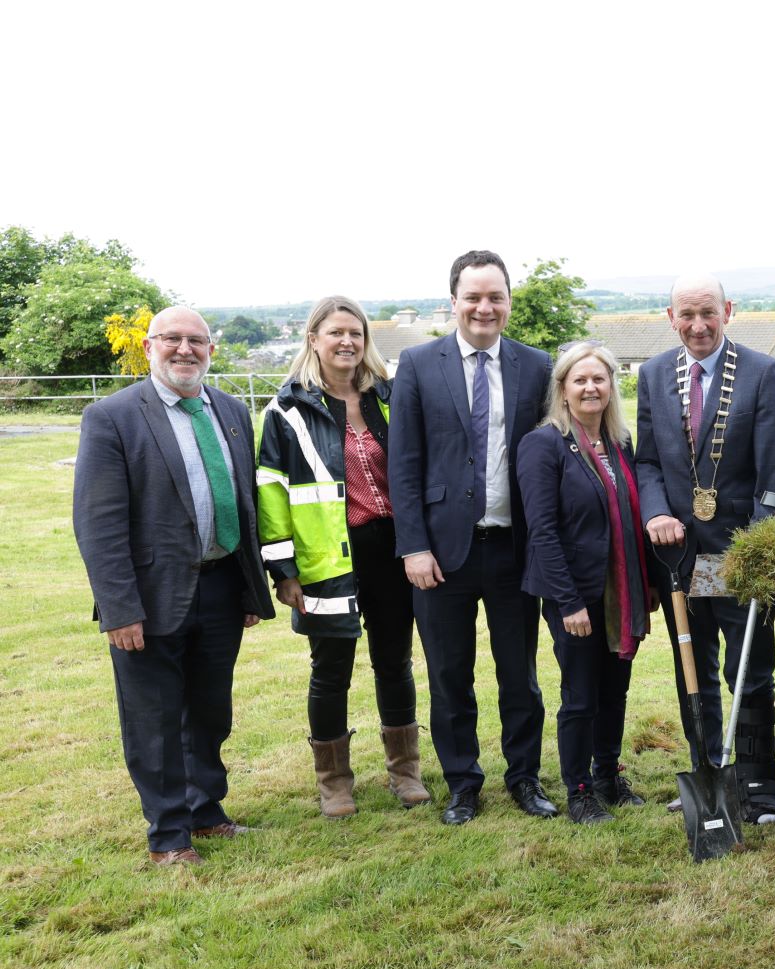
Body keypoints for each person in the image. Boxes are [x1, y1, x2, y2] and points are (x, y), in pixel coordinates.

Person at [72, 306, 276, 865]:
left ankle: (206, 813)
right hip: (148, 597)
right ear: (149, 346)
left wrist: (247, 589)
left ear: (210, 348)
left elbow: (246, 507)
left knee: (211, 712)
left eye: (197, 341)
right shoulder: (112, 417)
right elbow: (98, 523)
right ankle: (168, 836)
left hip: (220, 589)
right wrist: (119, 609)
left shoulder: (232, 411)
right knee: (155, 719)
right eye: (172, 340)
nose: (185, 350)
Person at [387, 250, 553, 825]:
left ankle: (524, 777)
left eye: (496, 296)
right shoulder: (415, 363)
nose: (485, 307)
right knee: (449, 675)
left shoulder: (537, 367)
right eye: (474, 297)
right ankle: (463, 782)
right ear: (453, 301)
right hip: (440, 554)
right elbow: (403, 464)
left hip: (513, 548)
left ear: (508, 300)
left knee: (520, 674)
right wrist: (413, 545)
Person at [255, 295, 428, 818]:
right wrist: (284, 571)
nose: (347, 341)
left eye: (355, 332)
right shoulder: (287, 410)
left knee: (394, 663)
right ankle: (334, 781)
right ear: (313, 340)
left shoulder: (390, 396)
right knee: (330, 670)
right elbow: (272, 492)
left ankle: (406, 771)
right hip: (326, 559)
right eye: (335, 333)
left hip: (391, 552)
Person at [636, 274, 775, 823]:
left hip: (739, 553)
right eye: (687, 315)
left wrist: (755, 548)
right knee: (691, 669)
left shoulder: (762, 371)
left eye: (708, 313)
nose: (698, 326)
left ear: (728, 310)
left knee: (750, 670)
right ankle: (707, 775)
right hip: (679, 554)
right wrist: (655, 511)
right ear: (669, 317)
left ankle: (757, 785)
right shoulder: (653, 375)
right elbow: (648, 460)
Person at [518, 343, 654, 824]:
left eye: (599, 379)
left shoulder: (620, 445)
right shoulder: (543, 444)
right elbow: (543, 531)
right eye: (580, 380)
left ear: (612, 386)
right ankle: (578, 790)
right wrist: (568, 601)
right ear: (563, 389)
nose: (591, 387)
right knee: (580, 695)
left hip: (621, 592)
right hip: (574, 595)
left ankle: (606, 775)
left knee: (615, 689)